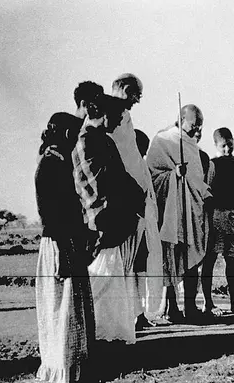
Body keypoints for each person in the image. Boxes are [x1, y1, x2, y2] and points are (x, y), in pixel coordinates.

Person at [73, 86, 146, 344]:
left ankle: (111, 337)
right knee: (103, 284)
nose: (117, 123)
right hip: (102, 221)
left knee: (113, 284)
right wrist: (132, 198)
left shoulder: (101, 139)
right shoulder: (87, 141)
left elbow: (119, 177)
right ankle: (101, 338)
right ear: (102, 114)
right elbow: (102, 183)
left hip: (113, 220)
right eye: (114, 117)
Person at [35, 111, 96, 383]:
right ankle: (63, 366)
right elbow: (50, 213)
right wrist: (61, 248)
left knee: (71, 304)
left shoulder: (61, 164)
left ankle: (75, 364)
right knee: (63, 305)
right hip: (59, 242)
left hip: (68, 240)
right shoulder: (50, 166)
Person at [146, 104, 212, 323]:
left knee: (192, 258)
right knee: (172, 258)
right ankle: (172, 307)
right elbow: (153, 177)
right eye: (194, 126)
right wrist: (173, 174)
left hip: (192, 210)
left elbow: (196, 179)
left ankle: (190, 307)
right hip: (171, 211)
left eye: (200, 127)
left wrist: (204, 192)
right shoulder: (163, 141)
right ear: (181, 119)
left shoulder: (193, 147)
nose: (197, 132)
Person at [109, 73, 162, 330]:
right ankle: (122, 317)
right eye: (136, 96)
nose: (137, 101)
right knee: (120, 263)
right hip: (120, 200)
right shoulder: (110, 114)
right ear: (125, 90)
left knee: (136, 262)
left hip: (136, 201)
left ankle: (137, 314)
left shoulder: (125, 115)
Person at [201, 128, 234, 316]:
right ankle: (208, 303)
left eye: (230, 144)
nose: (228, 148)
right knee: (211, 259)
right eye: (223, 145)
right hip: (216, 215)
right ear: (216, 145)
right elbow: (208, 189)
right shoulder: (212, 164)